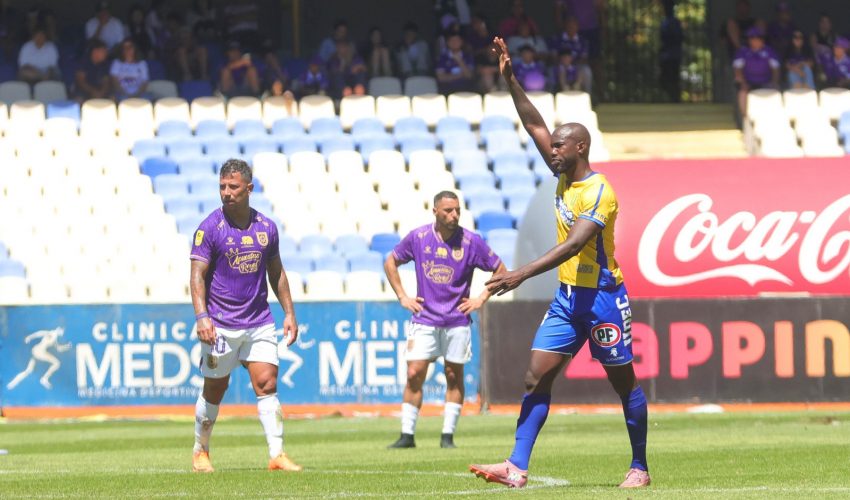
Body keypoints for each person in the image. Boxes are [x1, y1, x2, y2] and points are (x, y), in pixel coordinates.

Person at [468, 37, 650, 489]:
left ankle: (640, 467)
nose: (552, 150)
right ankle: (516, 466)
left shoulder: (600, 192)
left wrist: (519, 274)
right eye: (553, 146)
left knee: (623, 383)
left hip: (603, 300)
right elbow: (534, 124)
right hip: (568, 300)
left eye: (560, 146)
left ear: (580, 147)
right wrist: (511, 80)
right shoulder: (563, 175)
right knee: (535, 377)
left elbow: (573, 245)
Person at [190, 159, 301, 473]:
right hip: (220, 324)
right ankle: (201, 451)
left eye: (233, 186)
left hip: (259, 321)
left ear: (249, 189)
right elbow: (197, 276)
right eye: (222, 187)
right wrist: (202, 316)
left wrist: (289, 312)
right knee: (215, 389)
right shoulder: (209, 228)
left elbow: (276, 272)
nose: (226, 192)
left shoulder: (266, 228)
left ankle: (277, 455)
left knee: (267, 383)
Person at [385, 191, 506, 449]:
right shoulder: (419, 237)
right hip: (424, 318)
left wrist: (481, 298)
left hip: (457, 320)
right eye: (449, 210)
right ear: (435, 212)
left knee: (453, 374)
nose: (454, 215)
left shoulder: (471, 241)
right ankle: (407, 435)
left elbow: (500, 269)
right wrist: (403, 296)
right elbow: (391, 261)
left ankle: (447, 436)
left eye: (457, 210)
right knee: (414, 372)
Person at [733, 27, 779, 119]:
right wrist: (743, 82)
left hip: (765, 81)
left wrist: (774, 82)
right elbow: (737, 69)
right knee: (742, 92)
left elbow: (776, 68)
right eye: (752, 38)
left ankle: (772, 117)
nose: (756, 40)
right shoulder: (743, 51)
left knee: (775, 92)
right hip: (748, 82)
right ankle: (745, 117)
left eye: (758, 38)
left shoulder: (769, 51)